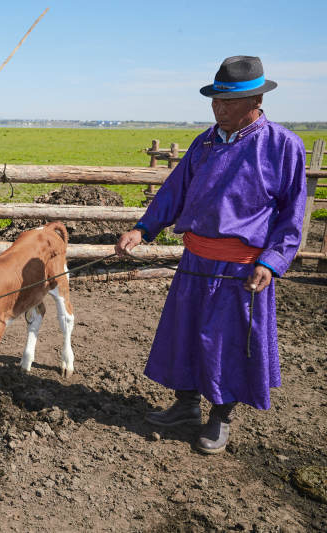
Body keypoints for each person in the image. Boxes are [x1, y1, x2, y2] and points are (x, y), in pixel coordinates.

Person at [115, 56, 307, 454]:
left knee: (226, 343)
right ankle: (185, 406)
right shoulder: (204, 143)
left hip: (242, 268)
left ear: (255, 101)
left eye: (228, 102)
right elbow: (173, 191)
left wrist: (271, 262)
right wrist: (142, 229)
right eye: (215, 101)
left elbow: (292, 215)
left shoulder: (282, 146)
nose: (218, 109)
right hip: (195, 261)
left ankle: (220, 418)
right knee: (184, 333)